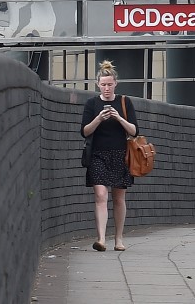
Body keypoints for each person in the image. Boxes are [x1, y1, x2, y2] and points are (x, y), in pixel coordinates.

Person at [80, 60, 138, 252]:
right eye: (103, 84)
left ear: (115, 84)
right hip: (97, 154)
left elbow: (134, 131)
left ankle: (119, 238)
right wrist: (99, 118)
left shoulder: (124, 102)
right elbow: (85, 131)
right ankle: (101, 238)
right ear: (98, 84)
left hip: (120, 154)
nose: (106, 88)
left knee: (119, 198)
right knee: (100, 194)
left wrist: (118, 117)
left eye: (109, 84)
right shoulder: (92, 103)